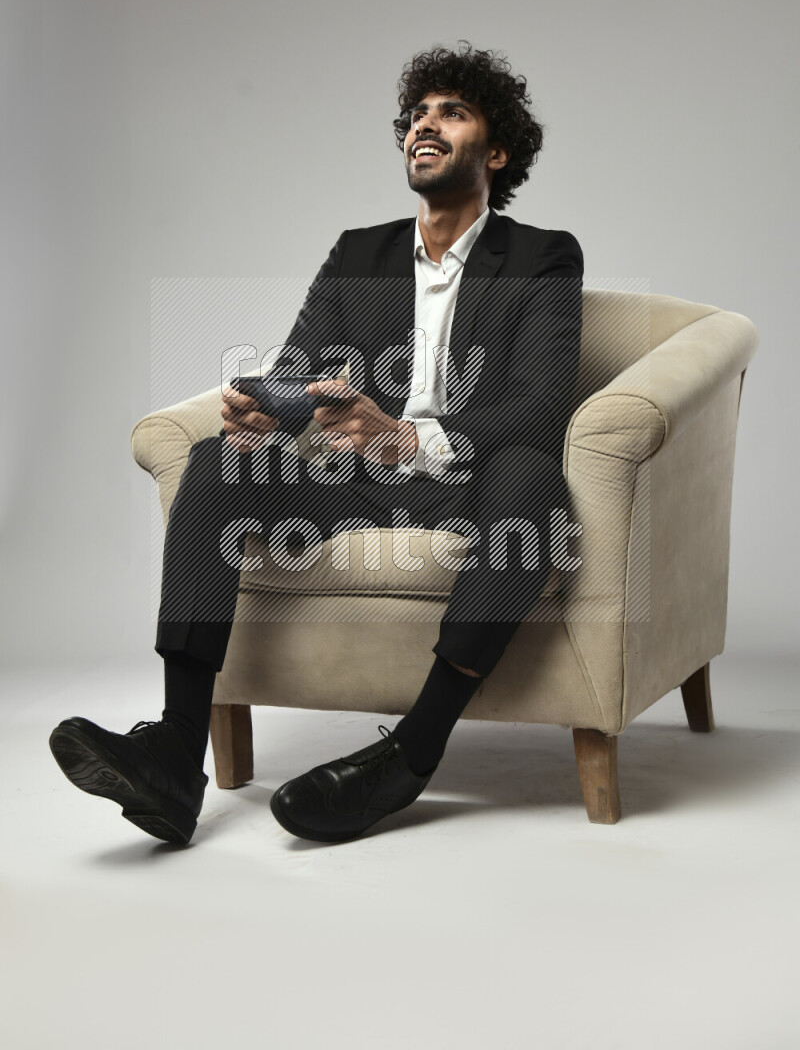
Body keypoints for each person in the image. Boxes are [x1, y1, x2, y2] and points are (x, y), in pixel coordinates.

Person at [49, 42, 584, 845]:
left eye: (452, 113)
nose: (425, 126)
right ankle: (175, 754)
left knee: (532, 479)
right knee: (219, 460)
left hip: (470, 483)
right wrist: (271, 410)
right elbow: (299, 372)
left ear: (497, 151)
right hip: (355, 482)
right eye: (417, 115)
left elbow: (539, 409)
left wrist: (408, 438)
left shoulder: (543, 256)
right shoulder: (359, 253)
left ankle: (411, 752)